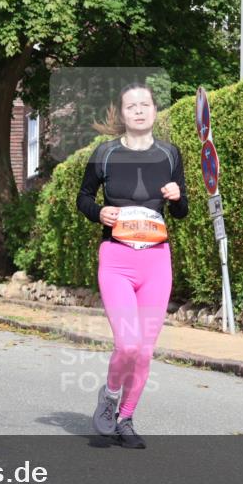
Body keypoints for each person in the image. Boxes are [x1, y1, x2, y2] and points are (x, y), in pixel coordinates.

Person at [76, 83, 188, 449]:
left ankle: (126, 418)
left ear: (155, 111)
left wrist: (177, 197)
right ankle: (109, 397)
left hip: (157, 263)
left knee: (144, 350)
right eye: (131, 106)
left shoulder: (170, 154)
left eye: (145, 105)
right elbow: (83, 199)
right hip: (117, 260)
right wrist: (99, 212)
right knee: (127, 344)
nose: (138, 111)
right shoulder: (104, 153)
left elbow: (182, 212)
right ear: (121, 114)